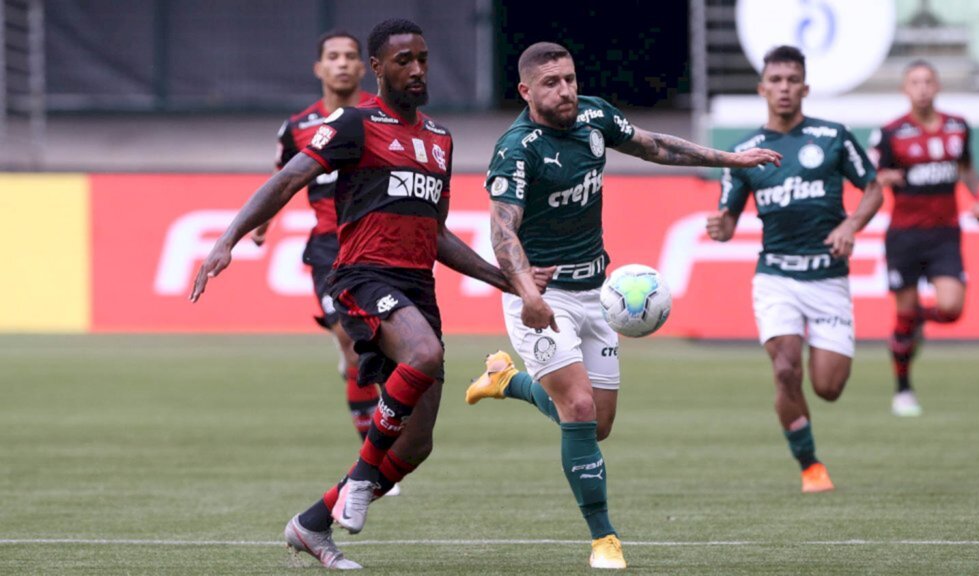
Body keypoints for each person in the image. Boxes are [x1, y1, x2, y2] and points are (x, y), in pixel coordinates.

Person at [191, 19, 549, 570]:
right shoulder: (357, 124)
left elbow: (436, 234)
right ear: (377, 69)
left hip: (417, 285)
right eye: (404, 60)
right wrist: (228, 238)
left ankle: (311, 525)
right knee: (423, 355)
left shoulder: (439, 138)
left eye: (424, 59)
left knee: (417, 443)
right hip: (362, 275)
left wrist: (506, 278)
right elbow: (288, 180)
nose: (417, 69)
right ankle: (359, 480)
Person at [464, 41, 781, 569]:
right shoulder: (516, 149)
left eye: (568, 78)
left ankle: (507, 380)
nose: (564, 89)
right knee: (580, 409)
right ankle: (603, 538)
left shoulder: (594, 115)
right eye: (550, 83)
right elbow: (502, 233)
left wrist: (730, 159)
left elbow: (656, 146)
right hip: (544, 299)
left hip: (599, 294)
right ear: (526, 91)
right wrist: (527, 293)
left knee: (597, 422)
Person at [705, 45, 883, 494]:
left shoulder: (833, 136)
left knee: (828, 387)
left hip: (828, 279)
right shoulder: (744, 153)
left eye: (792, 80)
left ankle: (814, 399)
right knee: (785, 368)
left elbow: (874, 190)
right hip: (776, 278)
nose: (784, 88)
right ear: (762, 88)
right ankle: (810, 467)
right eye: (776, 80)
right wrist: (721, 225)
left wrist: (850, 223)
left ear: (805, 87)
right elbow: (727, 219)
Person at [252, 30, 397, 478]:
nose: (342, 64)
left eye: (351, 56)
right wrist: (261, 225)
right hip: (328, 249)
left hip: (374, 244)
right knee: (355, 351)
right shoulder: (297, 128)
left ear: (363, 67)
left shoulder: (382, 117)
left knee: (391, 354)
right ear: (319, 67)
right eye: (333, 57)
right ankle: (371, 465)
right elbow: (283, 179)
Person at [869, 60, 979, 417]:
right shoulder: (891, 132)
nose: (921, 88)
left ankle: (918, 321)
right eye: (915, 82)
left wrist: (977, 199)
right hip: (904, 236)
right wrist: (884, 177)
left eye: (927, 81)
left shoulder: (958, 127)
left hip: (944, 234)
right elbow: (868, 171)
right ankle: (903, 389)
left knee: (951, 308)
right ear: (905, 89)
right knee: (902, 314)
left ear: (937, 87)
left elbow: (965, 167)